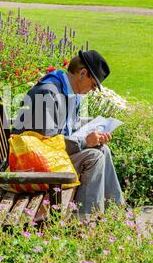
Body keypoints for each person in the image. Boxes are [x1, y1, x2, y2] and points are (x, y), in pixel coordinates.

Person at [13, 50, 124, 216]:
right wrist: (86, 142)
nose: (92, 90)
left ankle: (116, 212)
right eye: (93, 85)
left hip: (45, 158)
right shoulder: (48, 93)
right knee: (94, 157)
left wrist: (95, 133)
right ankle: (84, 223)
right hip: (32, 164)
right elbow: (48, 146)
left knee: (103, 150)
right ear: (82, 73)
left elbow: (68, 129)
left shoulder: (69, 91)